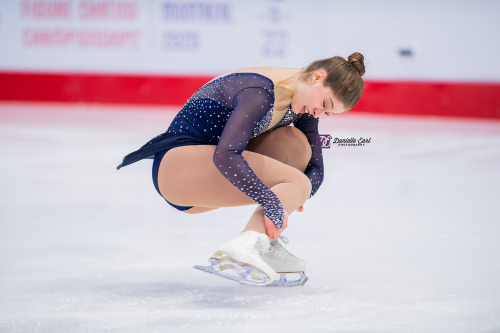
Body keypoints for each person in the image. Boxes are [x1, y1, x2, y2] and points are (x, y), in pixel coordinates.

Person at [117, 52, 365, 286]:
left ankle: (263, 239)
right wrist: (274, 199)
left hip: (210, 176)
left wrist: (290, 198)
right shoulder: (260, 92)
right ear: (317, 77)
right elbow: (225, 155)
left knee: (297, 147)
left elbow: (316, 168)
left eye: (327, 112)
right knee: (297, 182)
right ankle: (246, 243)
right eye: (324, 103)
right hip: (177, 171)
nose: (318, 112)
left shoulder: (303, 103)